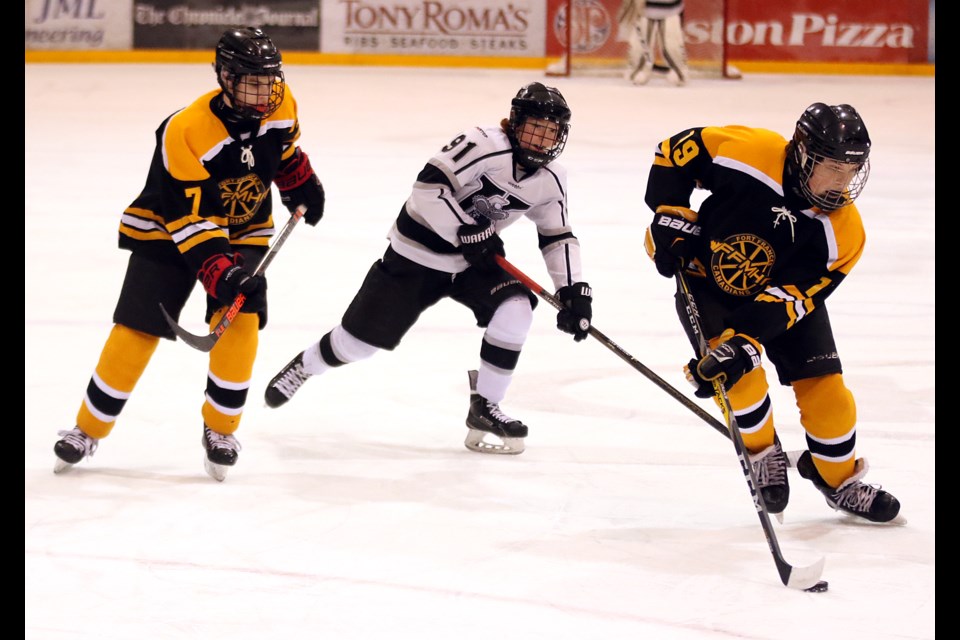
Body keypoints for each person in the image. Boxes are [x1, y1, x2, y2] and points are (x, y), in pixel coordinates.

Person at [52, 26, 326, 481]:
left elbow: (286, 149)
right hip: (167, 228)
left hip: (245, 226)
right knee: (137, 329)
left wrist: (301, 182)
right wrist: (221, 273)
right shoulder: (186, 129)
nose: (267, 91)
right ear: (225, 76)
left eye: (271, 79)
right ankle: (87, 428)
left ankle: (221, 430)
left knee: (240, 323)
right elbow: (190, 219)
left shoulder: (282, 103)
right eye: (253, 81)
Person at [263, 82, 592, 455]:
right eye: (536, 127)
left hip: (473, 261)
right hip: (416, 254)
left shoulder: (551, 179)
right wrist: (463, 231)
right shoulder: (482, 144)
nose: (542, 139)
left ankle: (485, 406)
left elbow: (557, 235)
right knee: (357, 345)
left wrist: (573, 289)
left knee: (516, 306)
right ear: (516, 122)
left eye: (551, 132)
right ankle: (307, 364)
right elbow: (427, 188)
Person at [642, 103, 903, 523]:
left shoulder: (844, 233)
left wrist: (746, 340)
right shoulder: (749, 151)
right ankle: (762, 451)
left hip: (784, 302)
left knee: (830, 398)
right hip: (709, 282)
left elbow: (796, 298)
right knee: (741, 384)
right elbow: (674, 153)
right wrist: (670, 213)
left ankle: (837, 479)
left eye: (851, 171)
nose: (842, 183)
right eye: (831, 168)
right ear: (802, 153)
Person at [619, 0, 689, 86]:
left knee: (672, 45)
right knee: (638, 48)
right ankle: (638, 69)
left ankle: (679, 71)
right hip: (643, 10)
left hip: (671, 10)